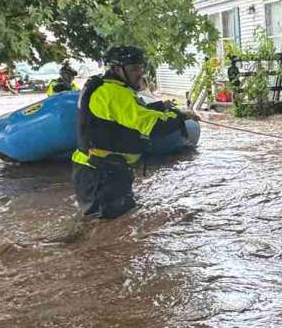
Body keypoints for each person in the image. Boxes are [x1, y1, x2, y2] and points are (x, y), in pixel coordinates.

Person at [71, 46, 198, 218]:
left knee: (109, 226)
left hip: (99, 169)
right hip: (101, 174)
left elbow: (131, 113)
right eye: (133, 69)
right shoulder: (113, 93)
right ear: (117, 69)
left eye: (141, 67)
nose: (140, 73)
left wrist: (162, 107)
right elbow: (154, 126)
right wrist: (180, 116)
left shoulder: (106, 88)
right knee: (109, 231)